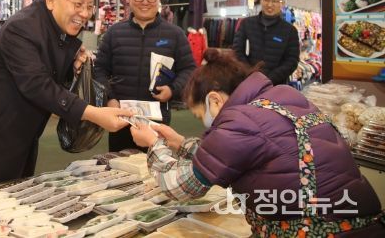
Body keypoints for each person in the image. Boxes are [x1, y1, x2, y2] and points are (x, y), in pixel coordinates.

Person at [130, 49, 384, 237]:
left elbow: (180, 187)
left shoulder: (240, 121)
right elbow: (233, 155)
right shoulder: (280, 96)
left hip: (325, 230)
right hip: (358, 221)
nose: (204, 124)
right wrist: (179, 143)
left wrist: (153, 144)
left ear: (214, 100)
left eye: (199, 115)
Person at [0, 0, 132, 189]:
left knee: (13, 198)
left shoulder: (57, 29)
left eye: (89, 7)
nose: (84, 14)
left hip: (22, 138)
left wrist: (71, 69)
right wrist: (93, 114)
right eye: (78, 5)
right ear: (51, 0)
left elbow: (49, 76)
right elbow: (36, 85)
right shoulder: (21, 28)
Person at [94, 0, 196, 152]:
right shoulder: (114, 33)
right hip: (121, 118)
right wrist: (109, 98)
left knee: (155, 164)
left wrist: (172, 90)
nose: (145, 2)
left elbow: (189, 69)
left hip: (157, 120)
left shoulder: (175, 34)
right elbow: (99, 70)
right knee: (118, 164)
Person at [232, 0, 299, 85]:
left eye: (275, 1)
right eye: (266, 0)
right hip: (246, 81)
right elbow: (237, 50)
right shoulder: (247, 24)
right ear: (261, 0)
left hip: (275, 85)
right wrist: (249, 72)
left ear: (282, 4)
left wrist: (269, 79)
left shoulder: (290, 30)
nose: (270, 4)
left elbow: (292, 60)